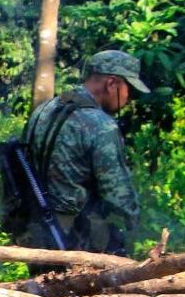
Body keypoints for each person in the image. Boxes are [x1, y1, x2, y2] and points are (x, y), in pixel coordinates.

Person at [12, 49, 146, 256]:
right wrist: (138, 232)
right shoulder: (101, 126)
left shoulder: (44, 110)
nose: (129, 98)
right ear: (112, 84)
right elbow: (119, 198)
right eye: (129, 89)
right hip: (76, 240)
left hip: (35, 234)